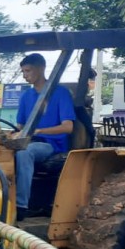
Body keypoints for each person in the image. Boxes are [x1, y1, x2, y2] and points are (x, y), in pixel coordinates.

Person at [12, 53, 76, 221]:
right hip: (29, 139)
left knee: (25, 152)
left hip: (50, 144)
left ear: (41, 68)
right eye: (23, 72)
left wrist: (39, 132)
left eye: (28, 71)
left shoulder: (61, 93)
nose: (25, 75)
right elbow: (19, 126)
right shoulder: (26, 96)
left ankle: (20, 206)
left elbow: (68, 127)